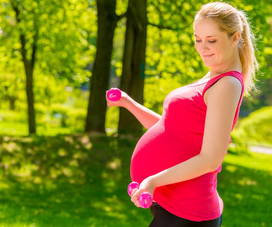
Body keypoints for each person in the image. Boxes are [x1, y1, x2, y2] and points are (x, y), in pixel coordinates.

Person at [106, 2, 258, 227]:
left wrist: (153, 180)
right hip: (172, 204)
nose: (202, 48)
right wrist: (129, 104)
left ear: (235, 37)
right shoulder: (212, 77)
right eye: (198, 39)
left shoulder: (227, 84)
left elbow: (211, 159)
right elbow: (172, 130)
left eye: (211, 40)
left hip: (188, 212)